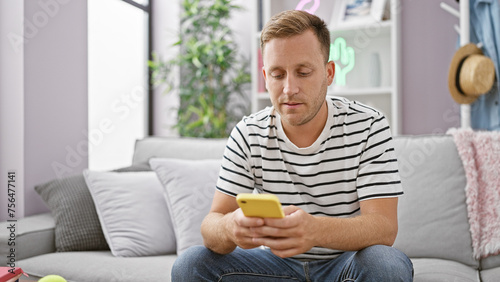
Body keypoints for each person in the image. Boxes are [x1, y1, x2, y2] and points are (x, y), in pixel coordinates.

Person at [172, 10, 413, 281]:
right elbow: (211, 225)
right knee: (190, 264)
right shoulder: (248, 133)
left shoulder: (369, 125)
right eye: (277, 74)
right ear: (265, 77)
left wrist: (315, 231)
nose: (289, 88)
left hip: (344, 265)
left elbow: (383, 228)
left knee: (387, 264)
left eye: (303, 72)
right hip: (274, 267)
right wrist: (230, 227)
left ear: (329, 72)